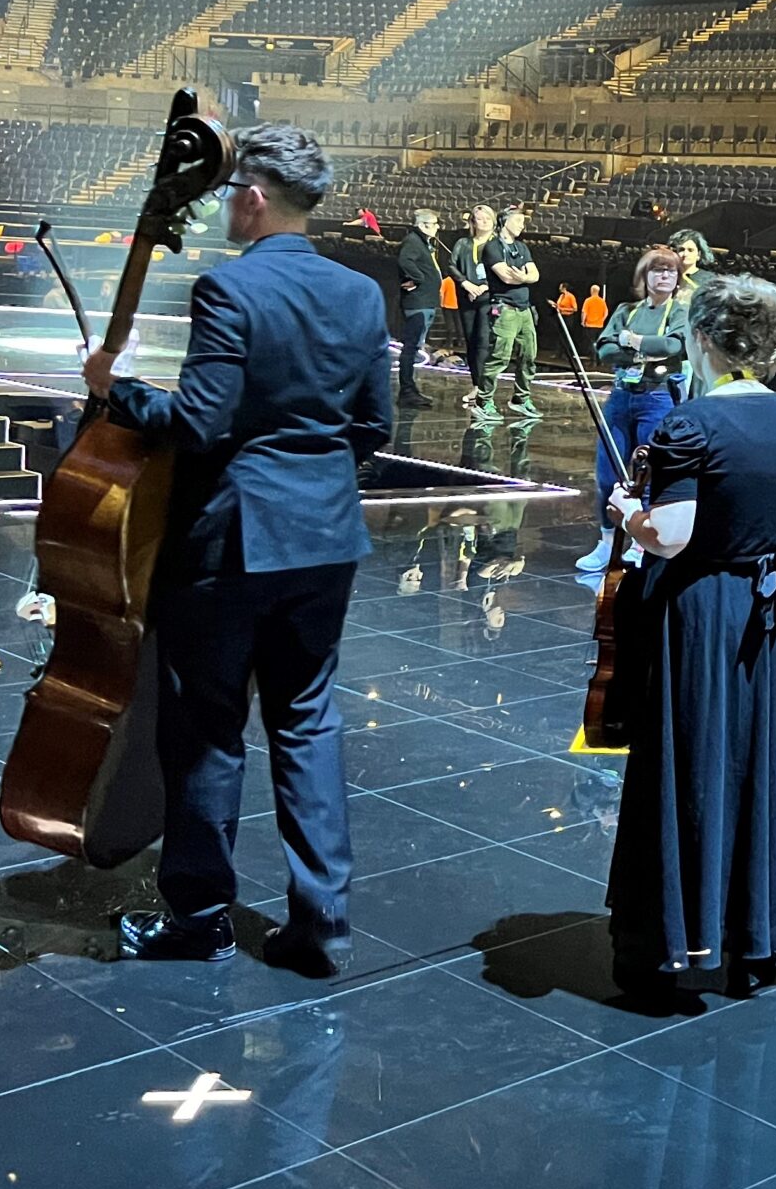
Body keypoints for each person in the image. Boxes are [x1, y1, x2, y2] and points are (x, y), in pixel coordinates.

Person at [96, 126, 393, 974]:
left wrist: (123, 397)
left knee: (207, 731)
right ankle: (322, 920)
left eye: (232, 193)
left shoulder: (228, 290)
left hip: (230, 543)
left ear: (254, 196)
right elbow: (372, 425)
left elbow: (199, 424)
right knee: (307, 723)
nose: (226, 204)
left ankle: (198, 918)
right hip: (326, 537)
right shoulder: (361, 294)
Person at [604, 275, 776, 1005]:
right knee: (767, 762)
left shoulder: (690, 424)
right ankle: (755, 942)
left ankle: (677, 934)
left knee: (694, 760)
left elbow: (671, 537)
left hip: (706, 610)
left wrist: (626, 510)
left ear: (703, 340)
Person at [580, 246, 687, 575]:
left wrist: (633, 341)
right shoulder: (627, 310)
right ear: (645, 276)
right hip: (622, 396)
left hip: (657, 397)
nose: (665, 276)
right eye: (658, 270)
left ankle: (643, 542)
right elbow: (605, 348)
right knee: (608, 473)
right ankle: (606, 542)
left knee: (649, 473)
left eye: (670, 271)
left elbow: (673, 346)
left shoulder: (679, 312)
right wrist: (642, 352)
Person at [477, 205, 541, 425]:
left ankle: (521, 399)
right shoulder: (492, 247)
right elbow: (505, 277)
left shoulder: (522, 247)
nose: (522, 225)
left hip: (524, 310)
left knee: (529, 355)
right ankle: (483, 401)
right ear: (505, 222)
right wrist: (524, 276)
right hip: (504, 309)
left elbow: (535, 275)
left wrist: (522, 277)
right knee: (499, 356)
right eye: (518, 221)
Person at [392, 207, 442, 410]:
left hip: (425, 301)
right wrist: (418, 278)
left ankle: (409, 389)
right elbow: (405, 261)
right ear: (423, 225)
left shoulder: (421, 242)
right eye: (435, 224)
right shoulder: (413, 241)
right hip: (418, 303)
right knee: (411, 347)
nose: (438, 227)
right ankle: (407, 391)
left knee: (414, 346)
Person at [449, 204, 497, 413]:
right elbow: (451, 265)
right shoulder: (463, 243)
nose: (483, 222)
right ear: (472, 222)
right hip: (467, 296)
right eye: (479, 218)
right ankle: (476, 386)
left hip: (489, 297)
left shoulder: (498, 244)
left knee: (484, 342)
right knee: (470, 341)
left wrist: (484, 286)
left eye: (487, 218)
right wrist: (465, 284)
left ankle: (486, 389)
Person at [667, 228, 714, 303]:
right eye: (681, 250)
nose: (685, 254)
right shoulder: (665, 276)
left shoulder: (710, 280)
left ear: (699, 254)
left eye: (690, 250)